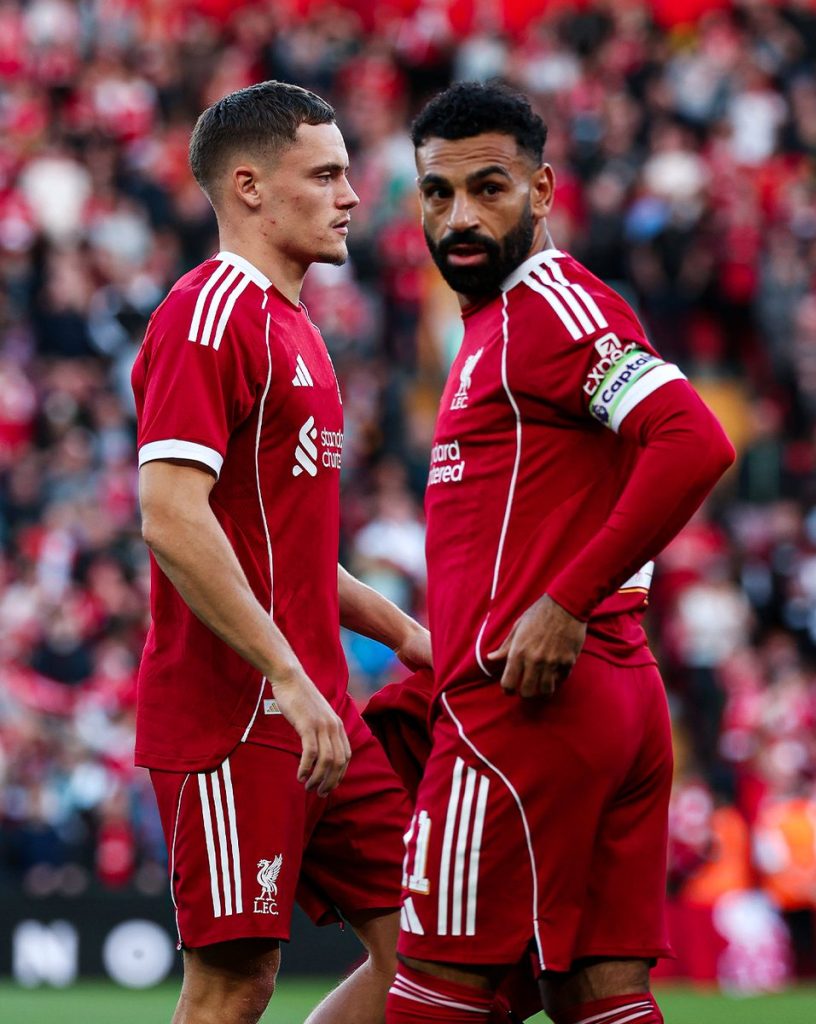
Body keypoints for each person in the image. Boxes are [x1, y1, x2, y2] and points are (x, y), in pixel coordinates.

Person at [385, 82, 736, 1024]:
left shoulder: (548, 309)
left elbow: (693, 441)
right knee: (598, 997)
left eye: (488, 188)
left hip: (526, 704)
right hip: (604, 695)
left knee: (433, 994)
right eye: (436, 193)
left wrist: (566, 599)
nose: (459, 217)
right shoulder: (498, 322)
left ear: (540, 191)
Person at [131, 80, 431, 1024]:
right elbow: (170, 516)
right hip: (237, 710)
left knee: (436, 955)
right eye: (327, 174)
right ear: (251, 187)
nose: (352, 195)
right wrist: (287, 675)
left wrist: (409, 636)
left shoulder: (295, 326)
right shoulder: (205, 315)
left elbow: (287, 554)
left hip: (317, 706)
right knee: (232, 986)